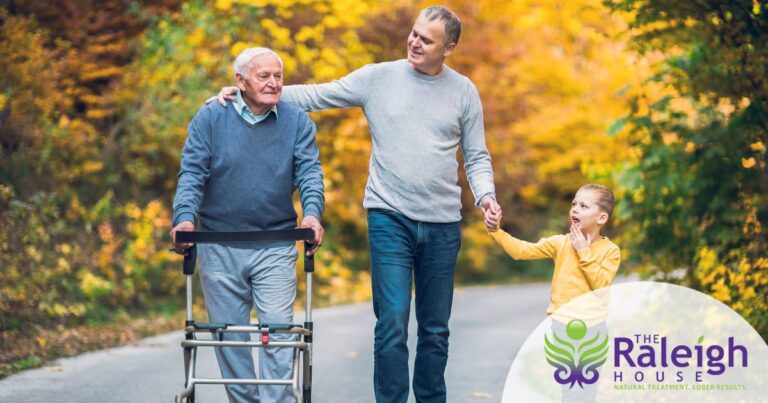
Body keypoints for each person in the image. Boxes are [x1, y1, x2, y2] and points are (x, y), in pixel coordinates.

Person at [209, 5, 499, 403]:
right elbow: (317, 94)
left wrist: (486, 196)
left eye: (426, 40)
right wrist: (248, 90)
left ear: (448, 48)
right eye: (414, 33)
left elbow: (477, 155)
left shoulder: (463, 91)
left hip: (443, 223)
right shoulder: (378, 78)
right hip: (389, 216)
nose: (414, 42)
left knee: (435, 329)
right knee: (393, 321)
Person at [171, 47, 324, 403]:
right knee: (230, 337)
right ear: (240, 81)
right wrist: (184, 219)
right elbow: (192, 172)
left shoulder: (297, 121)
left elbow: (310, 174)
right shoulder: (211, 117)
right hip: (218, 244)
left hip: (276, 242)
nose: (273, 83)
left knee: (279, 332)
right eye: (264, 76)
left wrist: (313, 213)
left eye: (278, 76)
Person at [486, 183, 621, 318]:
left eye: (583, 206)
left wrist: (583, 251)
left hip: (593, 325)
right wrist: (496, 231)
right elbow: (520, 251)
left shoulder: (611, 251)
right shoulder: (560, 242)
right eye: (574, 204)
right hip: (559, 322)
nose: (575, 209)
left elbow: (601, 289)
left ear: (601, 218)